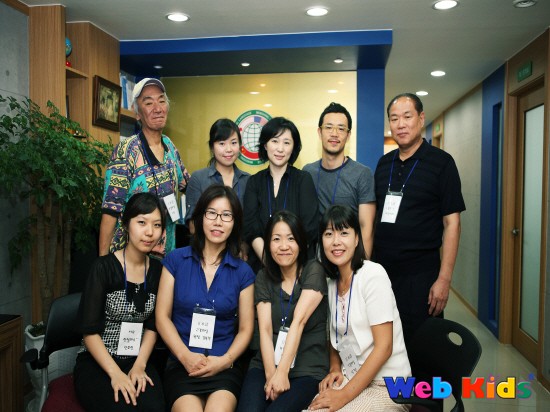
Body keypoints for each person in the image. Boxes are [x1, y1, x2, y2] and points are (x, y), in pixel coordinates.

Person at [373, 92, 465, 348]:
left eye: (407, 116)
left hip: (422, 277)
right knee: (384, 344)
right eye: (394, 119)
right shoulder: (384, 164)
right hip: (383, 274)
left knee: (422, 348)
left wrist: (444, 279)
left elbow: (452, 224)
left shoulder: (442, 163)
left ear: (421, 119)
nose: (400, 124)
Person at [156, 184, 255, 412]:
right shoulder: (175, 261)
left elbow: (246, 329)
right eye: (211, 213)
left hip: (223, 366)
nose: (218, 222)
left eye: (226, 215)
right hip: (182, 364)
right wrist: (185, 356)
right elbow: (162, 317)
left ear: (235, 223)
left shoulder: (243, 272)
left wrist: (225, 361)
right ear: (200, 217)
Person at [307, 205, 410, 412]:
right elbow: (336, 338)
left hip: (389, 386)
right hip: (351, 378)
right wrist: (335, 367)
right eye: (329, 234)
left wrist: (343, 395)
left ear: (356, 239)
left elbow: (384, 347)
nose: (336, 241)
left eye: (344, 233)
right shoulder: (331, 283)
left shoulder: (373, 275)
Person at [74, 192, 166, 411]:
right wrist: (115, 373)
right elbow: (89, 332)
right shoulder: (103, 268)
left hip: (137, 359)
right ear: (125, 224)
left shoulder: (157, 270)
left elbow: (153, 326)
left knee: (155, 408)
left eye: (156, 225)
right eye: (141, 222)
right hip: (98, 361)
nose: (149, 232)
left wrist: (140, 365)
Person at [237, 210, 329, 412]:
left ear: (301, 243)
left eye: (291, 239)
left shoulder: (313, 270)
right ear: (268, 244)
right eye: (276, 239)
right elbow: (265, 329)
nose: (284, 246)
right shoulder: (263, 277)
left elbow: (299, 321)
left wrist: (282, 373)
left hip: (307, 369)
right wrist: (272, 375)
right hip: (265, 364)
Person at [99, 78, 191, 258]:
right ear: (137, 113)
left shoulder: (170, 146)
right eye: (148, 103)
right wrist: (103, 263)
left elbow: (188, 184)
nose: (158, 108)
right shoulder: (126, 151)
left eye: (162, 101)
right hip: (129, 259)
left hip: (165, 257)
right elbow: (110, 210)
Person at [243, 117, 319, 273]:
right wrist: (270, 263)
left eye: (286, 143)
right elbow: (251, 228)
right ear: (265, 145)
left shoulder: (303, 179)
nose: (280, 149)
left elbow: (309, 228)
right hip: (262, 268)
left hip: (299, 269)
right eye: (275, 141)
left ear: (293, 147)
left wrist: (288, 266)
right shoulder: (254, 182)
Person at [303, 103, 375, 258]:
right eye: (329, 127)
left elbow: (366, 227)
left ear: (348, 135)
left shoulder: (362, 174)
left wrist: (363, 267)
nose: (334, 133)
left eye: (341, 129)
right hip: (316, 258)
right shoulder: (308, 172)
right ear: (319, 132)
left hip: (350, 257)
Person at [185, 118, 250, 235]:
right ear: (212, 147)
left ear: (240, 145)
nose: (229, 149)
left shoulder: (248, 180)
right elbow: (193, 226)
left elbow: (251, 224)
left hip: (240, 245)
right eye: (222, 143)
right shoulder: (198, 178)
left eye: (233, 143)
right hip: (207, 245)